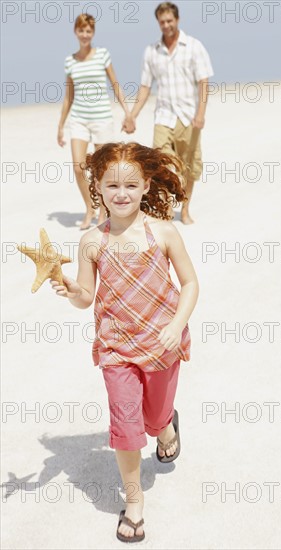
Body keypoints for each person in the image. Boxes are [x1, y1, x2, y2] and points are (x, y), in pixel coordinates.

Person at [50, 141, 199, 542]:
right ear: (96, 185)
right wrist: (70, 290)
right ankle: (134, 505)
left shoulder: (163, 232)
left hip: (162, 345)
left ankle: (166, 427)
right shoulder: (92, 242)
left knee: (153, 420)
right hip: (116, 348)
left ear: (147, 186)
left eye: (131, 185)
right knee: (127, 427)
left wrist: (177, 325)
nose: (121, 193)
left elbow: (189, 284)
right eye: (111, 184)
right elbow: (86, 296)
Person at [124, 2, 213, 225]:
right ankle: (163, 208)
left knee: (190, 166)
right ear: (158, 23)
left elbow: (203, 82)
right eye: (162, 22)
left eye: (169, 21)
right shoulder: (152, 52)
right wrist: (132, 115)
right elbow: (145, 87)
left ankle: (185, 209)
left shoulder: (193, 46)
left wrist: (201, 114)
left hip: (188, 116)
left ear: (177, 20)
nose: (166, 25)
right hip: (163, 116)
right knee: (159, 164)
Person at [58, 14, 135, 230]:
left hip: (101, 118)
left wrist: (128, 113)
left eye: (89, 31)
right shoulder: (70, 61)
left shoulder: (102, 55)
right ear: (76, 32)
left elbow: (115, 84)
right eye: (81, 30)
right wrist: (60, 126)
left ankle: (103, 210)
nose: (85, 34)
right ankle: (89, 207)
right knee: (78, 166)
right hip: (79, 119)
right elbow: (68, 97)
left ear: (93, 33)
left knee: (101, 169)